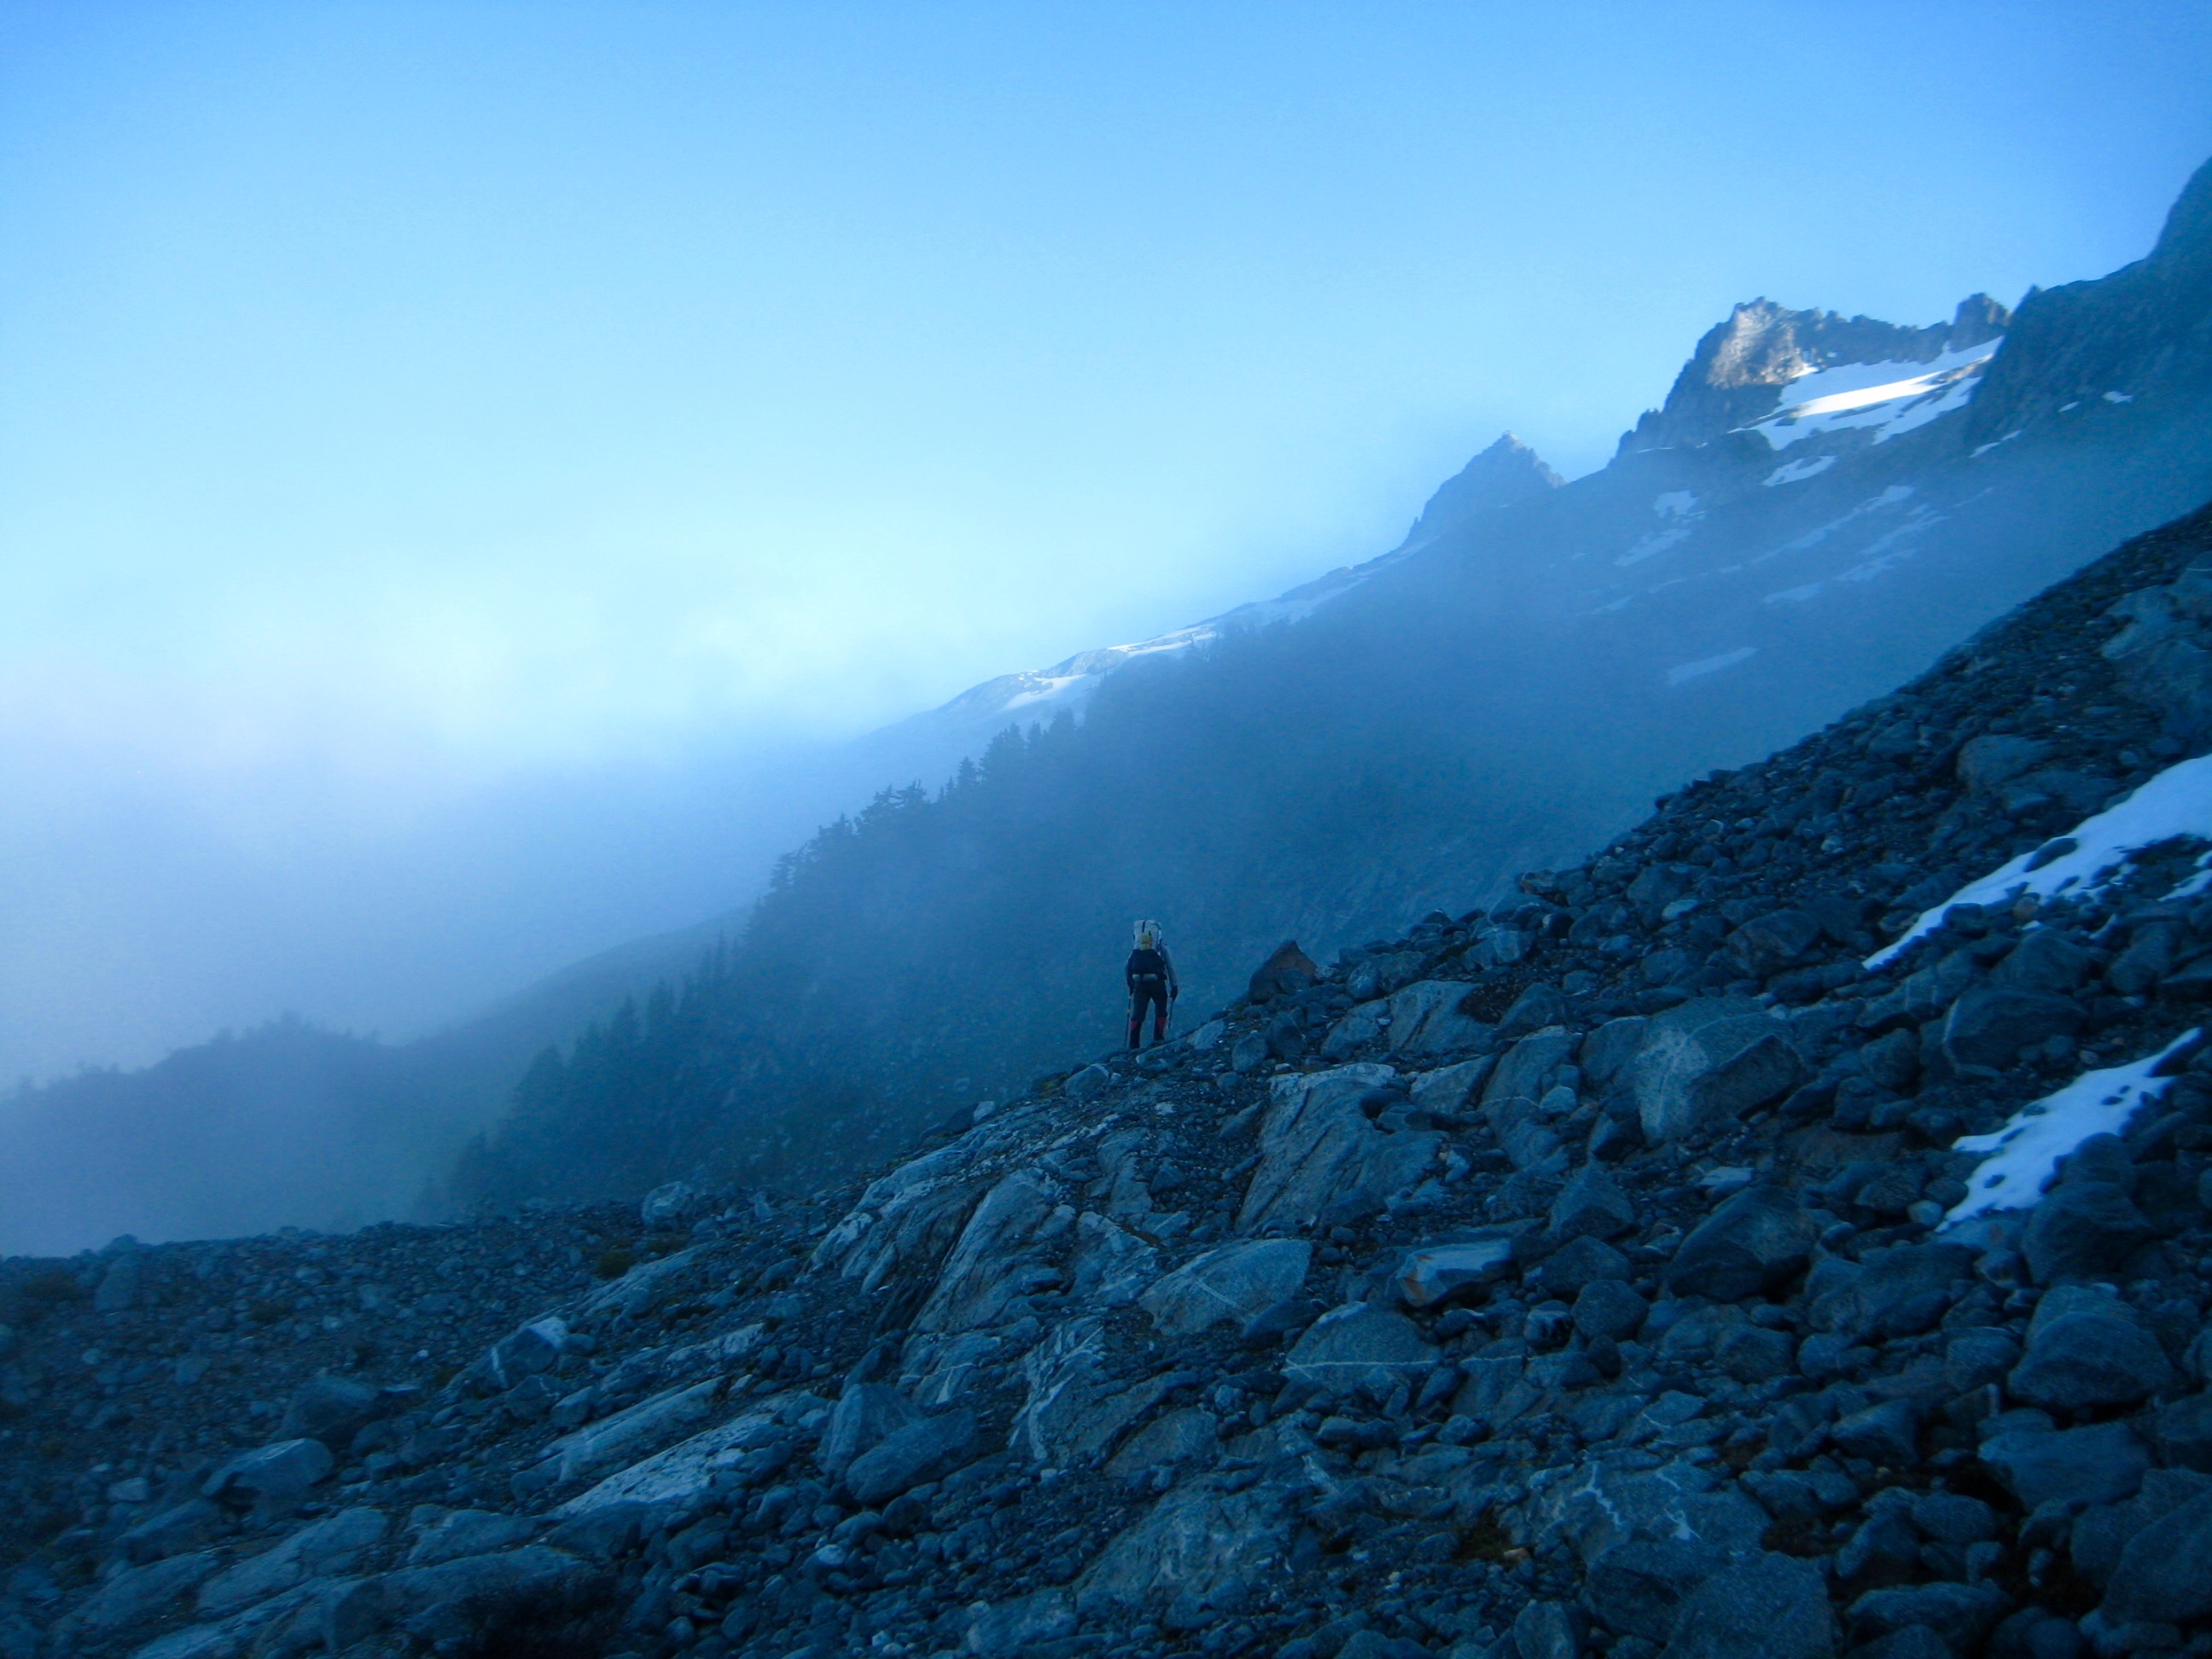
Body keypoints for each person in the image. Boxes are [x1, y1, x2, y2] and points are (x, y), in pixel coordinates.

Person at [1126, 920, 1179, 1048]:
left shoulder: (1136, 949)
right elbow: (1170, 967)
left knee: (1138, 1013)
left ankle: (1134, 1044)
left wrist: (1131, 984)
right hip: (1157, 983)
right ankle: (1158, 1039)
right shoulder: (1161, 948)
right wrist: (1174, 986)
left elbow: (1127, 967)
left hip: (1139, 984)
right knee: (1161, 1009)